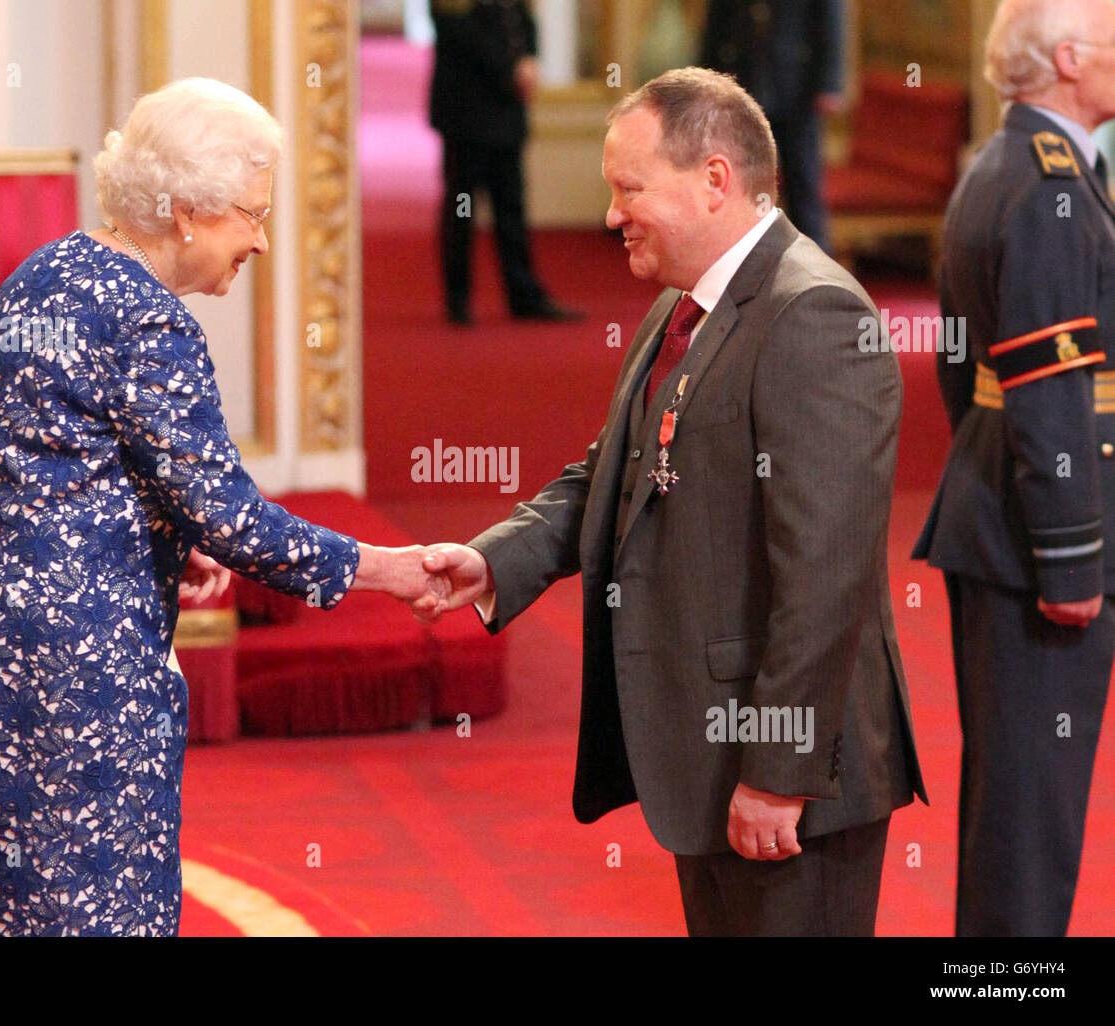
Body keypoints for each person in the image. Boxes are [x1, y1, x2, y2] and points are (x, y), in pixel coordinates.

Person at [0, 78, 447, 937]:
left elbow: (51, 465)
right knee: (86, 903)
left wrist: (164, 524)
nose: (263, 240)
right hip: (77, 673)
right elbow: (233, 518)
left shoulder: (41, 273)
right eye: (249, 214)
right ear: (184, 212)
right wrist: (387, 568)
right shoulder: (148, 320)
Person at [420, 68, 926, 936]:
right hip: (707, 750)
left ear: (715, 180)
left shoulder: (815, 318)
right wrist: (496, 558)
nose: (613, 214)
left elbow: (824, 579)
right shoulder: (681, 306)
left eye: (629, 189)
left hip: (791, 781)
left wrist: (778, 772)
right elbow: (616, 473)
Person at [912, 0, 1115, 936]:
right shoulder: (1048, 187)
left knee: (1019, 806)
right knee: (1028, 821)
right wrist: (1072, 560)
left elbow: (966, 369)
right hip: (1040, 547)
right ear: (1072, 59)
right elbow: (1040, 390)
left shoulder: (1015, 164)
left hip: (1006, 511)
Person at [428, 0, 582, 324]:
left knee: (511, 207)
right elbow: (458, 32)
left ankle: (523, 294)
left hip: (506, 109)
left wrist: (529, 59)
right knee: (462, 207)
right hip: (466, 111)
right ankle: (458, 299)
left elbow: (522, 21)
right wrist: (509, 67)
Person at [699, 0, 845, 249]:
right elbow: (716, 23)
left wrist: (828, 83)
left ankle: (820, 278)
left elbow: (830, 21)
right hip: (741, 85)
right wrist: (705, 81)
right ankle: (740, 271)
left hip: (797, 90)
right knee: (738, 187)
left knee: (804, 189)